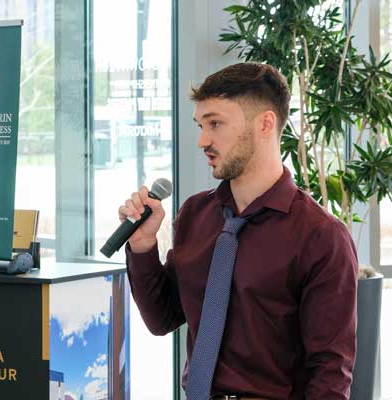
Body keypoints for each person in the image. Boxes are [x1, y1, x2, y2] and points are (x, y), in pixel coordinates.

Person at [119, 62, 358, 399]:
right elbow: (163, 319)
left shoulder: (320, 235)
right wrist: (143, 248)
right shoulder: (195, 215)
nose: (203, 140)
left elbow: (330, 371)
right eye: (201, 125)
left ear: (265, 123)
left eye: (215, 123)